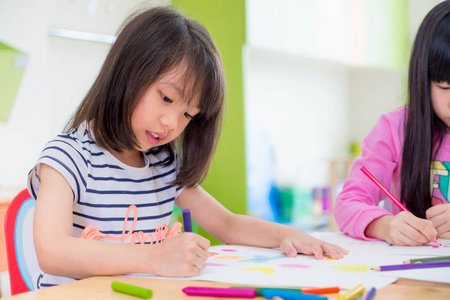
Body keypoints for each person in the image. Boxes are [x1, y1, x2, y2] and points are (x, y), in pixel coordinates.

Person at [28, 5, 347, 289]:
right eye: (166, 98)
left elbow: (227, 224)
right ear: (127, 72)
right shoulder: (68, 157)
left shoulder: (162, 164)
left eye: (187, 115)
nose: (172, 124)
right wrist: (154, 256)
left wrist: (288, 236)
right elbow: (52, 252)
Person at [334, 1, 450, 246]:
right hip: (412, 274)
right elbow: (349, 202)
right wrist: (386, 226)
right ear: (424, 80)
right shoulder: (396, 129)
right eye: (446, 87)